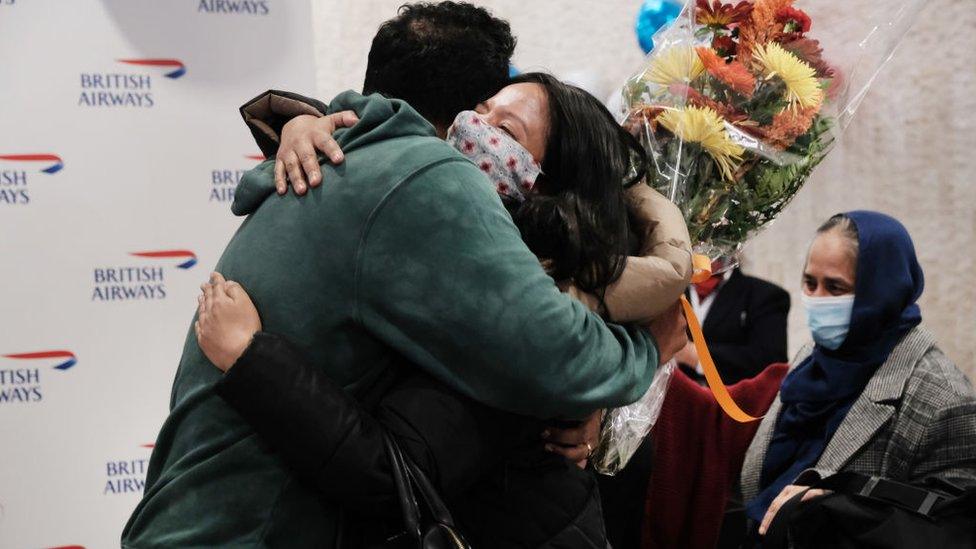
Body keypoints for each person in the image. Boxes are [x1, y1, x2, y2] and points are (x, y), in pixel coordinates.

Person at [121, 3, 690, 547]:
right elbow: (380, 466)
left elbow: (551, 353)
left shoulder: (364, 165)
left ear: (545, 182)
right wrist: (648, 350)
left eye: (505, 129)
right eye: (482, 111)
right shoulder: (426, 188)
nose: (480, 129)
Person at [740, 211, 976, 541]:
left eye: (835, 288)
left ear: (883, 289)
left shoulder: (945, 400)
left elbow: (951, 529)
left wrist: (846, 508)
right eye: (810, 283)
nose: (817, 301)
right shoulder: (811, 359)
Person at [675, 264, 790, 385]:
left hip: (739, 398)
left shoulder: (765, 295)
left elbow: (770, 363)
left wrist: (695, 356)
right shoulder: (672, 290)